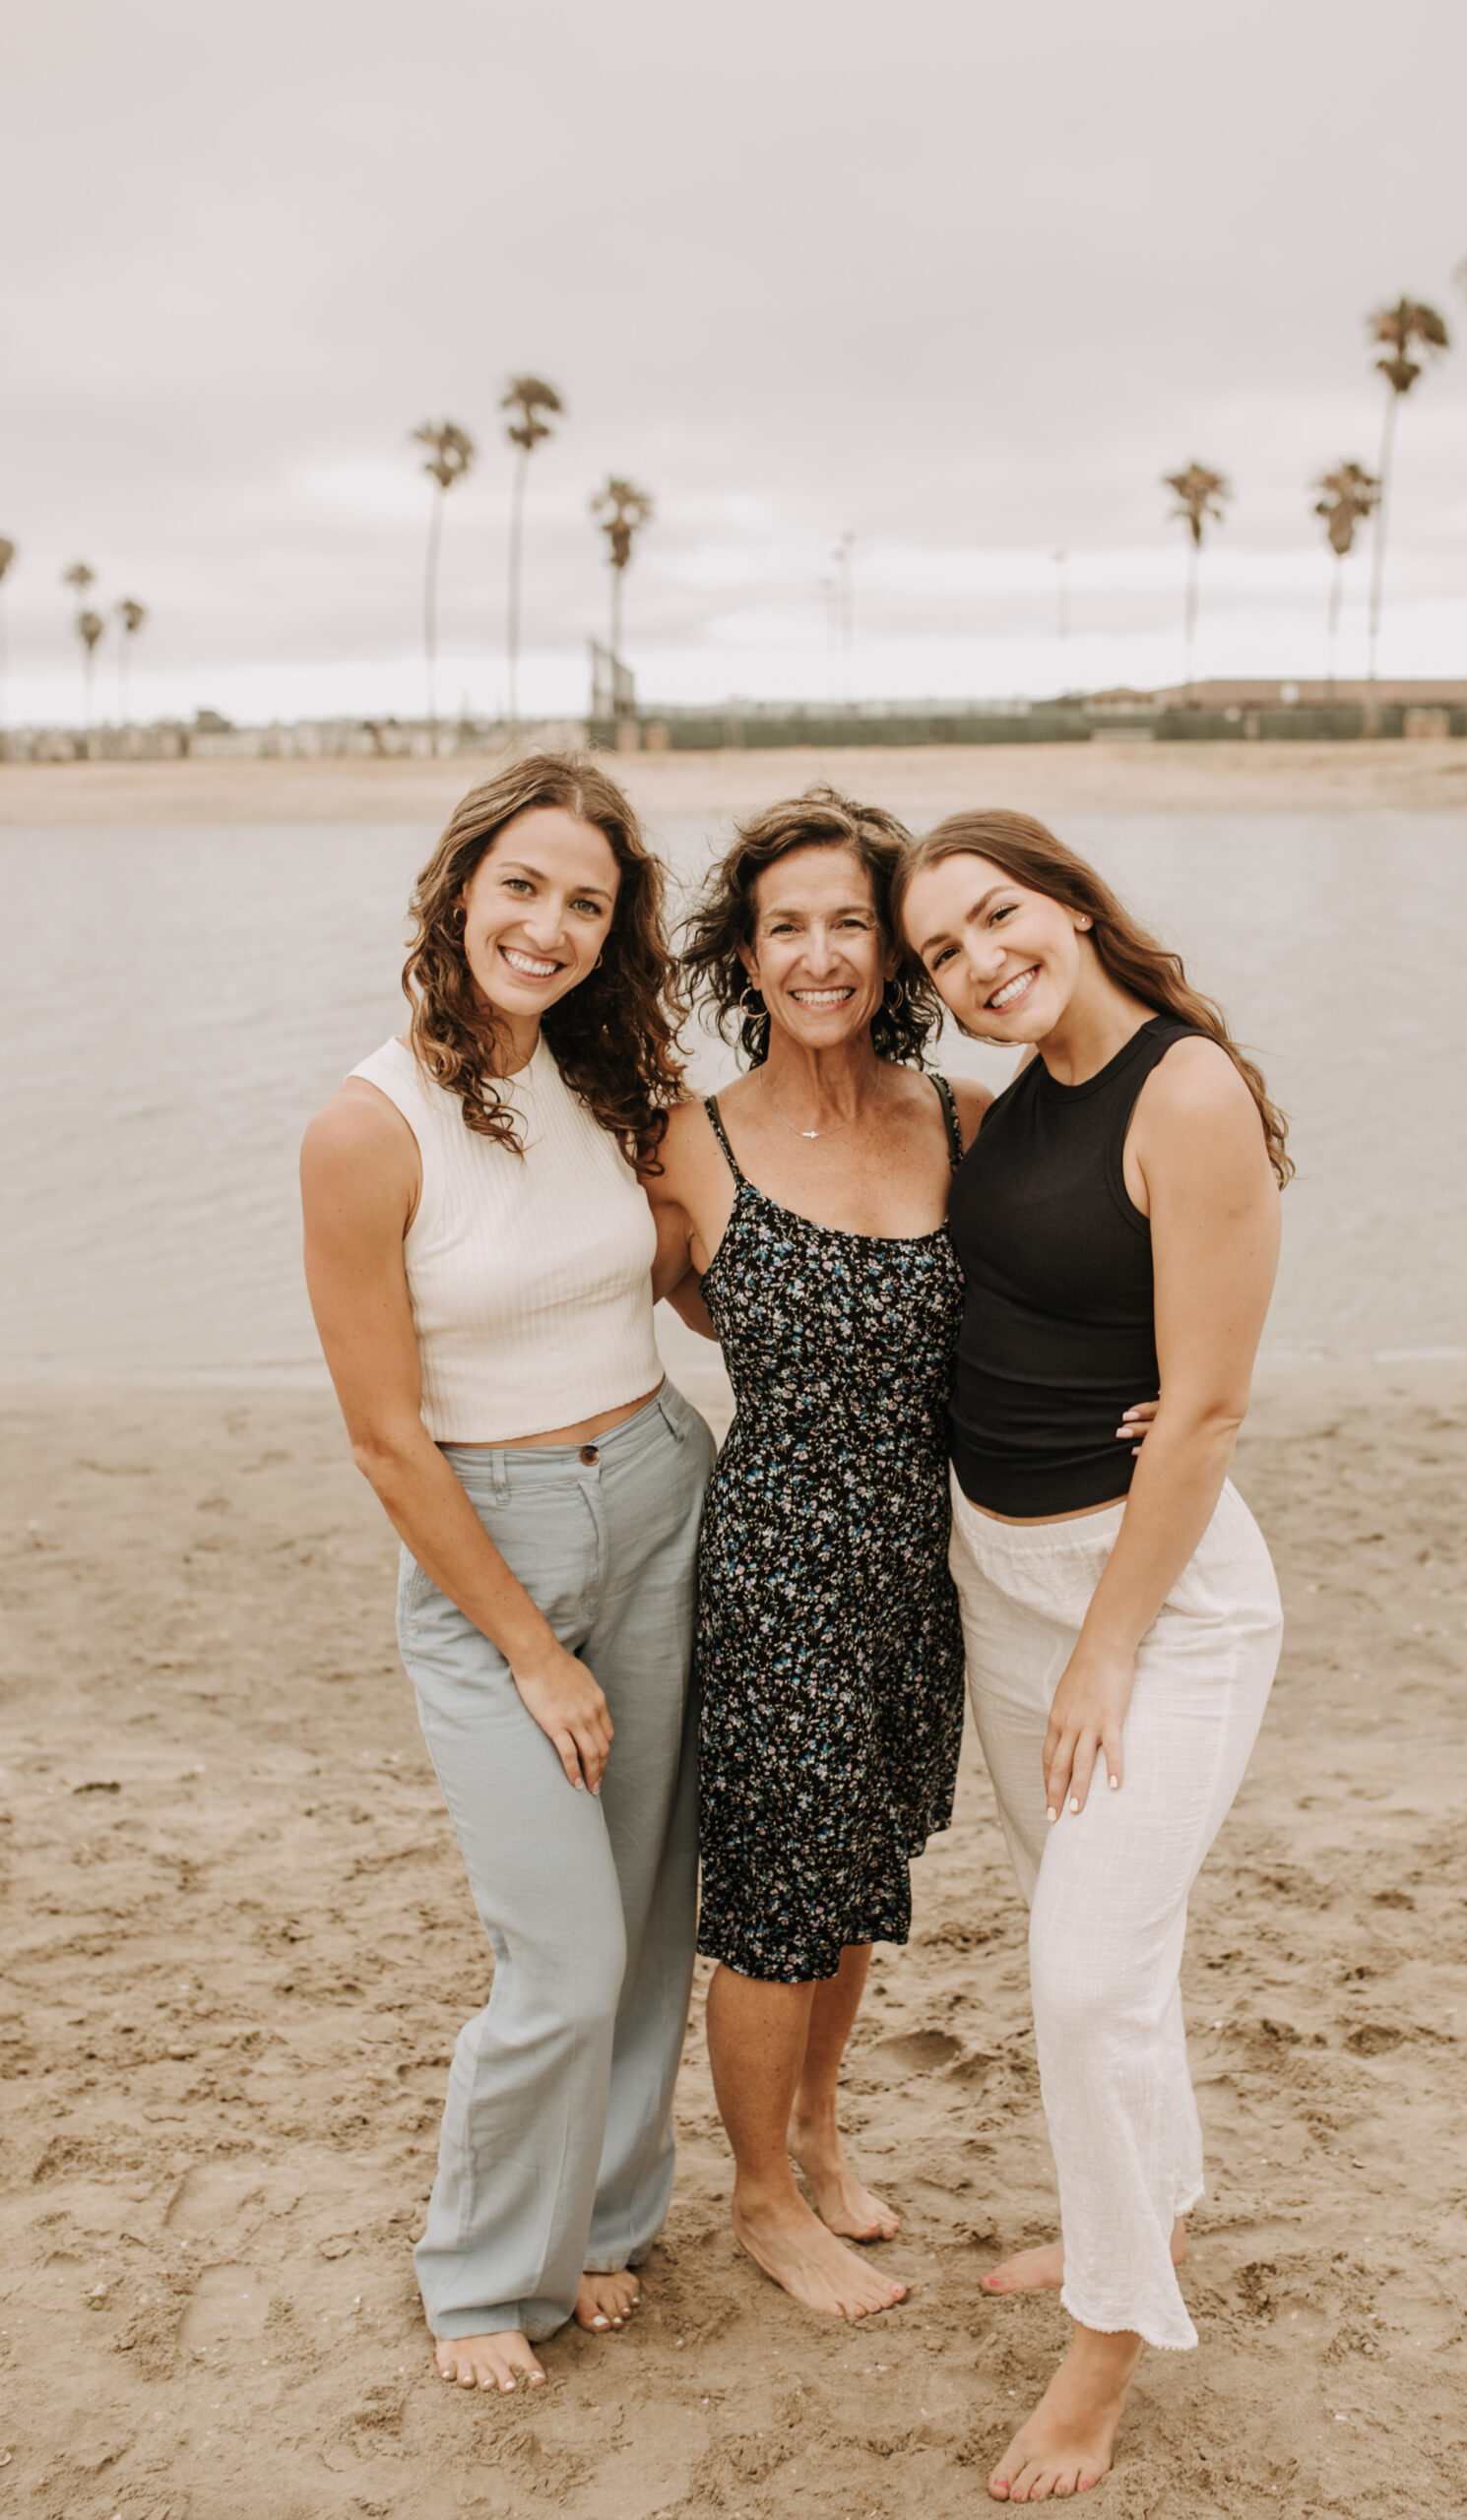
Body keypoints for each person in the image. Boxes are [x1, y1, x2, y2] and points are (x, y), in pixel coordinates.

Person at [300, 752, 715, 2397]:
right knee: (559, 1946)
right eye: (523, 887)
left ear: (616, 934)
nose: (547, 926)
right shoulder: (366, 1126)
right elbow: (387, 1439)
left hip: (664, 1492)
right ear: (459, 889)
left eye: (587, 903)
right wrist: (532, 1653)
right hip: (492, 1541)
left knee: (644, 1912)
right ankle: (482, 2274)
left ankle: (600, 2225)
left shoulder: (617, 1088)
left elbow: (694, 1286)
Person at [895, 810, 1290, 2501]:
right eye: (945, 954)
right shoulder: (1018, 1103)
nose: (982, 960)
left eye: (997, 916)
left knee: (1077, 1974)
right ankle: (1154, 2205)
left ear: (1067, 899)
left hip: (1156, 1603)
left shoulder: (1184, 1088)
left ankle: (1107, 2347)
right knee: (1109, 1953)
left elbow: (1203, 1407)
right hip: (1007, 1578)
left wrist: (1108, 1651)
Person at [644, 788, 989, 2321]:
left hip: (922, 1566)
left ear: (893, 943)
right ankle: (762, 2197)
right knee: (778, 1899)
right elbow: (610, 1309)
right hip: (779, 1560)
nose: (820, 952)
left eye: (849, 920)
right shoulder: (688, 1146)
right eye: (787, 926)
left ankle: (819, 2127)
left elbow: (1068, 1281)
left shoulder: (963, 1120)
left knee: (854, 1883)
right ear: (747, 953)